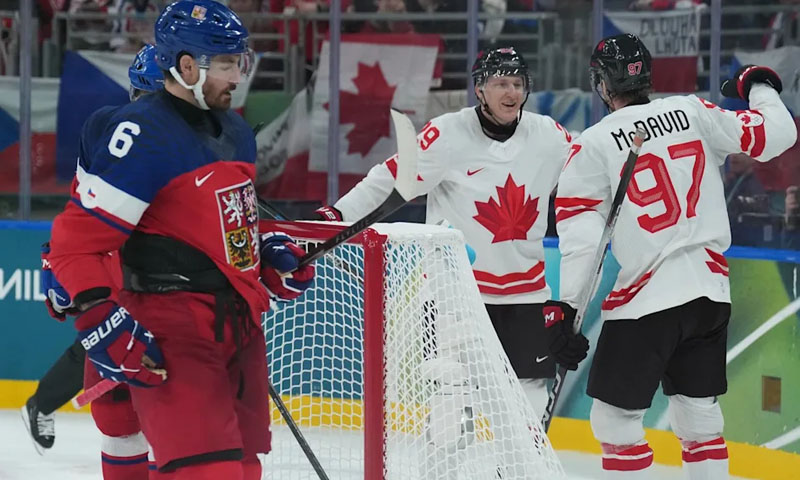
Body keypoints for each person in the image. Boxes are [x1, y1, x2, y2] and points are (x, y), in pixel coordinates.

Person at [47, 2, 314, 479]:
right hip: (173, 323)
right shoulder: (141, 133)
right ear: (187, 67)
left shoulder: (235, 131)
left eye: (239, 61)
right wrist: (96, 313)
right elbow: (78, 240)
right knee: (179, 457)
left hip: (235, 325)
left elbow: (222, 226)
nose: (238, 75)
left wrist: (265, 256)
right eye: (227, 63)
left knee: (242, 468)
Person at [551, 33, 796, 478]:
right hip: (710, 294)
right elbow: (779, 133)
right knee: (699, 419)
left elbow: (583, 240)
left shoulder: (594, 142)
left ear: (601, 84)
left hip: (648, 298)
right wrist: (759, 85)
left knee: (614, 421)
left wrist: (567, 308)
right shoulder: (693, 111)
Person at [314, 46, 588, 419]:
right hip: (455, 293)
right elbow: (389, 178)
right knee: (451, 405)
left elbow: (588, 170)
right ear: (480, 89)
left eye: (518, 83)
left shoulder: (549, 136)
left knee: (529, 411)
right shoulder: (446, 134)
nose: (511, 92)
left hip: (526, 295)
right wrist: (338, 214)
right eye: (501, 83)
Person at [21, 45, 164, 474]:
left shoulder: (184, 133)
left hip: (145, 265)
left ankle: (41, 402)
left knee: (109, 345)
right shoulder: (115, 129)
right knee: (107, 346)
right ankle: (42, 402)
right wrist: (60, 259)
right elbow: (85, 206)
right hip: (119, 259)